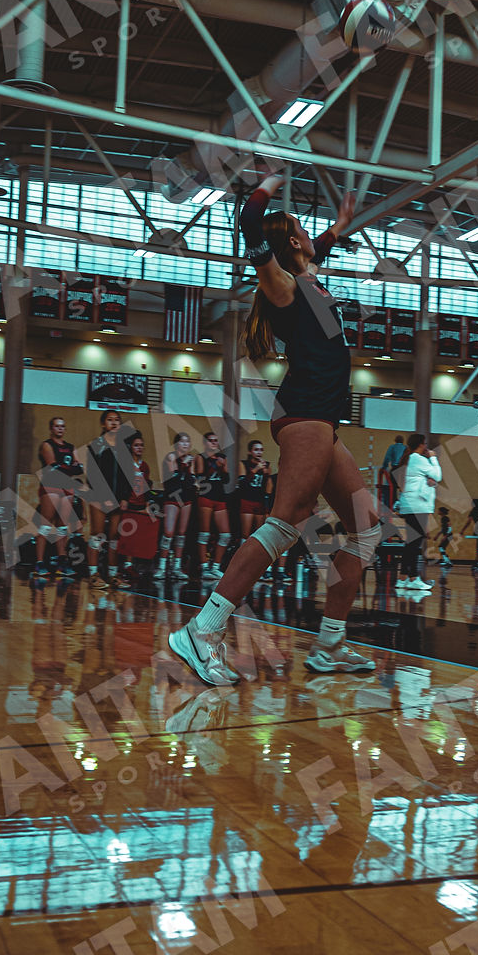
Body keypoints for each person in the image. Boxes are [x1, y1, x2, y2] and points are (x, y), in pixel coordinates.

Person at [169, 171, 378, 683]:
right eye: (302, 230)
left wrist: (339, 225)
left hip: (323, 418)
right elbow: (250, 222)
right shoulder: (281, 285)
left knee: (366, 526)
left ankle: (330, 645)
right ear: (291, 243)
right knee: (286, 523)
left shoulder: (309, 279)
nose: (309, 234)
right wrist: (266, 184)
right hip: (305, 413)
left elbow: (316, 250)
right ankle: (202, 629)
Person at [82, 410, 131, 589]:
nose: (114, 423)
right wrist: (104, 497)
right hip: (98, 497)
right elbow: (93, 475)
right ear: (103, 424)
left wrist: (124, 497)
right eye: (110, 420)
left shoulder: (124, 447)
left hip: (118, 498)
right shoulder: (96, 445)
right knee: (97, 535)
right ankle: (93, 575)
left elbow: (128, 475)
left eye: (117, 420)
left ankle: (112, 575)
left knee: (114, 537)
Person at [35, 416, 83, 577]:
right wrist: (71, 467)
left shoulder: (70, 447)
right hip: (51, 486)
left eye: (62, 426)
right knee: (46, 526)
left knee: (62, 527)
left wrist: (68, 467)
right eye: (57, 426)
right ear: (51, 429)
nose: (60, 429)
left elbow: (80, 469)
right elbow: (54, 466)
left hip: (67, 487)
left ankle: (62, 562)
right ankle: (39, 562)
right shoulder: (47, 445)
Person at [396, 434, 441, 593]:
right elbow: (438, 475)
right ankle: (413, 578)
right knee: (414, 544)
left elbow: (430, 479)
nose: (427, 446)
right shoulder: (419, 459)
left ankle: (403, 578)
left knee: (411, 543)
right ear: (421, 444)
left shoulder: (412, 459)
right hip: (418, 506)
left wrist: (430, 480)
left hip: (411, 505)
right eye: (425, 443)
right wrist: (433, 458)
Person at [114, 431, 160, 585]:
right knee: (125, 535)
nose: (139, 448)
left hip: (140, 504)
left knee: (136, 536)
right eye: (136, 445)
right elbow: (122, 483)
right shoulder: (126, 464)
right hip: (129, 503)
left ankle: (130, 566)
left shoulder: (144, 466)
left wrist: (147, 503)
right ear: (131, 447)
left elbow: (147, 486)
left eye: (141, 445)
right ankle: (120, 567)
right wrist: (123, 498)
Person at [159, 431, 197, 580]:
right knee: (169, 532)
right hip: (172, 497)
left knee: (181, 534)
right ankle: (162, 567)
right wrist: (185, 465)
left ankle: (176, 567)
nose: (185, 444)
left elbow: (191, 481)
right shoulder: (171, 457)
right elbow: (173, 479)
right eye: (182, 441)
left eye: (188, 441)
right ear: (176, 444)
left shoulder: (191, 459)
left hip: (186, 498)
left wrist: (189, 468)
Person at [195, 429, 230, 583]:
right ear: (205, 443)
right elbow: (200, 478)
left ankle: (215, 566)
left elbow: (226, 479)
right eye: (211, 440)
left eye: (216, 441)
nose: (214, 443)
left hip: (219, 496)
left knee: (225, 534)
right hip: (205, 496)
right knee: (204, 533)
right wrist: (215, 464)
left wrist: (222, 467)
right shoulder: (200, 457)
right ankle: (204, 567)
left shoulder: (222, 458)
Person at [237, 438, 276, 575]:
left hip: (260, 502)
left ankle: (258, 565)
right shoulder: (243, 464)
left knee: (259, 534)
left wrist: (266, 475)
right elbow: (242, 484)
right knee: (245, 534)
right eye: (256, 450)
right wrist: (255, 469)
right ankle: (241, 564)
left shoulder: (266, 465)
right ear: (250, 452)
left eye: (261, 450)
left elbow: (268, 487)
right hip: (247, 500)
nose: (259, 452)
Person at [378, 435, 405, 509]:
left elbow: (387, 457)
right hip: (403, 469)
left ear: (395, 440)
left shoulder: (392, 447)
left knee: (392, 487)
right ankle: (401, 503)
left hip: (395, 468)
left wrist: (384, 466)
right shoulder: (405, 448)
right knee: (402, 487)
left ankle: (393, 503)